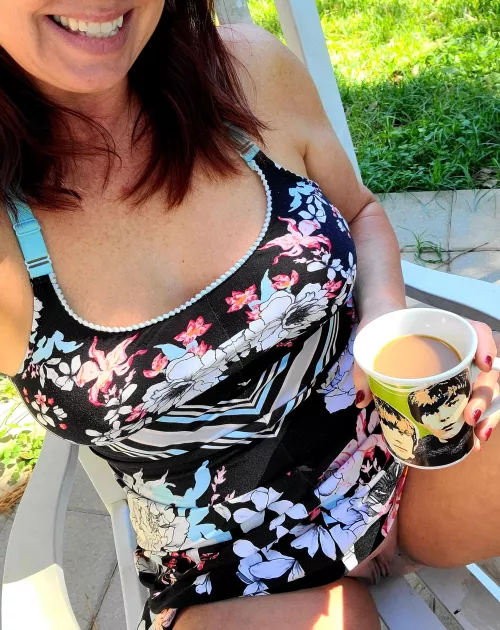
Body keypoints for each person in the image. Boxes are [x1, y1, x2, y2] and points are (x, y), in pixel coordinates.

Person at [0, 3, 499, 629]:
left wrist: (390, 330)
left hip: (406, 461)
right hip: (232, 578)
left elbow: (361, 212)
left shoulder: (246, 72)